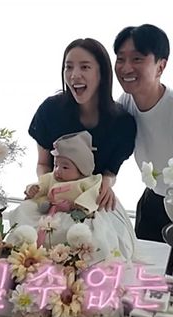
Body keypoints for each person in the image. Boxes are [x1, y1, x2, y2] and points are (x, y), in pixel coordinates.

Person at [113, 24, 173, 242]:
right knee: (143, 258)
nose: (126, 68)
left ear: (160, 66)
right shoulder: (126, 102)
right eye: (120, 59)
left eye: (137, 59)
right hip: (155, 196)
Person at [28, 37, 136, 213]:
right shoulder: (50, 110)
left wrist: (106, 184)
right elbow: (43, 163)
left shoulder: (122, 123)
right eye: (69, 67)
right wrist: (49, 188)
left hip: (93, 201)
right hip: (52, 198)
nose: (74, 75)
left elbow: (110, 172)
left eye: (85, 67)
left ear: (102, 73)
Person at [12, 131, 134, 261]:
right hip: (49, 211)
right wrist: (33, 189)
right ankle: (26, 243)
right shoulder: (52, 178)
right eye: (56, 165)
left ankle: (69, 256)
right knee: (25, 209)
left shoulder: (88, 181)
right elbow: (42, 184)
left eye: (65, 167)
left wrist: (82, 205)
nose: (58, 171)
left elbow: (92, 194)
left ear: (81, 169)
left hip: (75, 214)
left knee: (87, 233)